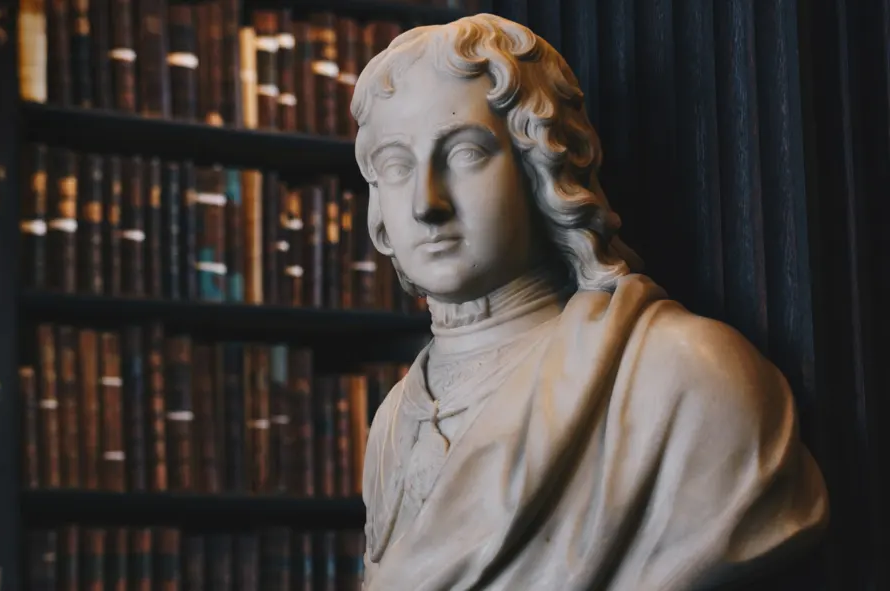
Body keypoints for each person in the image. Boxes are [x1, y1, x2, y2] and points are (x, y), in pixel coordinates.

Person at [352, 13, 828, 590]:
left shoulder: (686, 381)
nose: (426, 203)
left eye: (465, 153)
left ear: (542, 164)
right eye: (397, 166)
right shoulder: (392, 420)